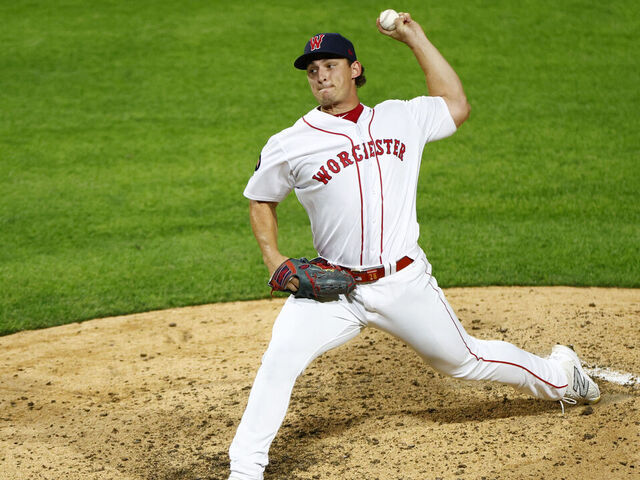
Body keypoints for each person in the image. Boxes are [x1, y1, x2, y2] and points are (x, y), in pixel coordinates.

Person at [228, 12, 600, 480]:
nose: (321, 75)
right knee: (278, 361)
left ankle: (563, 375)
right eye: (312, 70)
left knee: (466, 361)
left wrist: (413, 37)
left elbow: (455, 104)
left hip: (403, 283)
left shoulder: (401, 117)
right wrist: (275, 258)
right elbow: (260, 198)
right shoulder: (291, 142)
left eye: (331, 65)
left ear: (355, 69)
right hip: (332, 288)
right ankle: (245, 469)